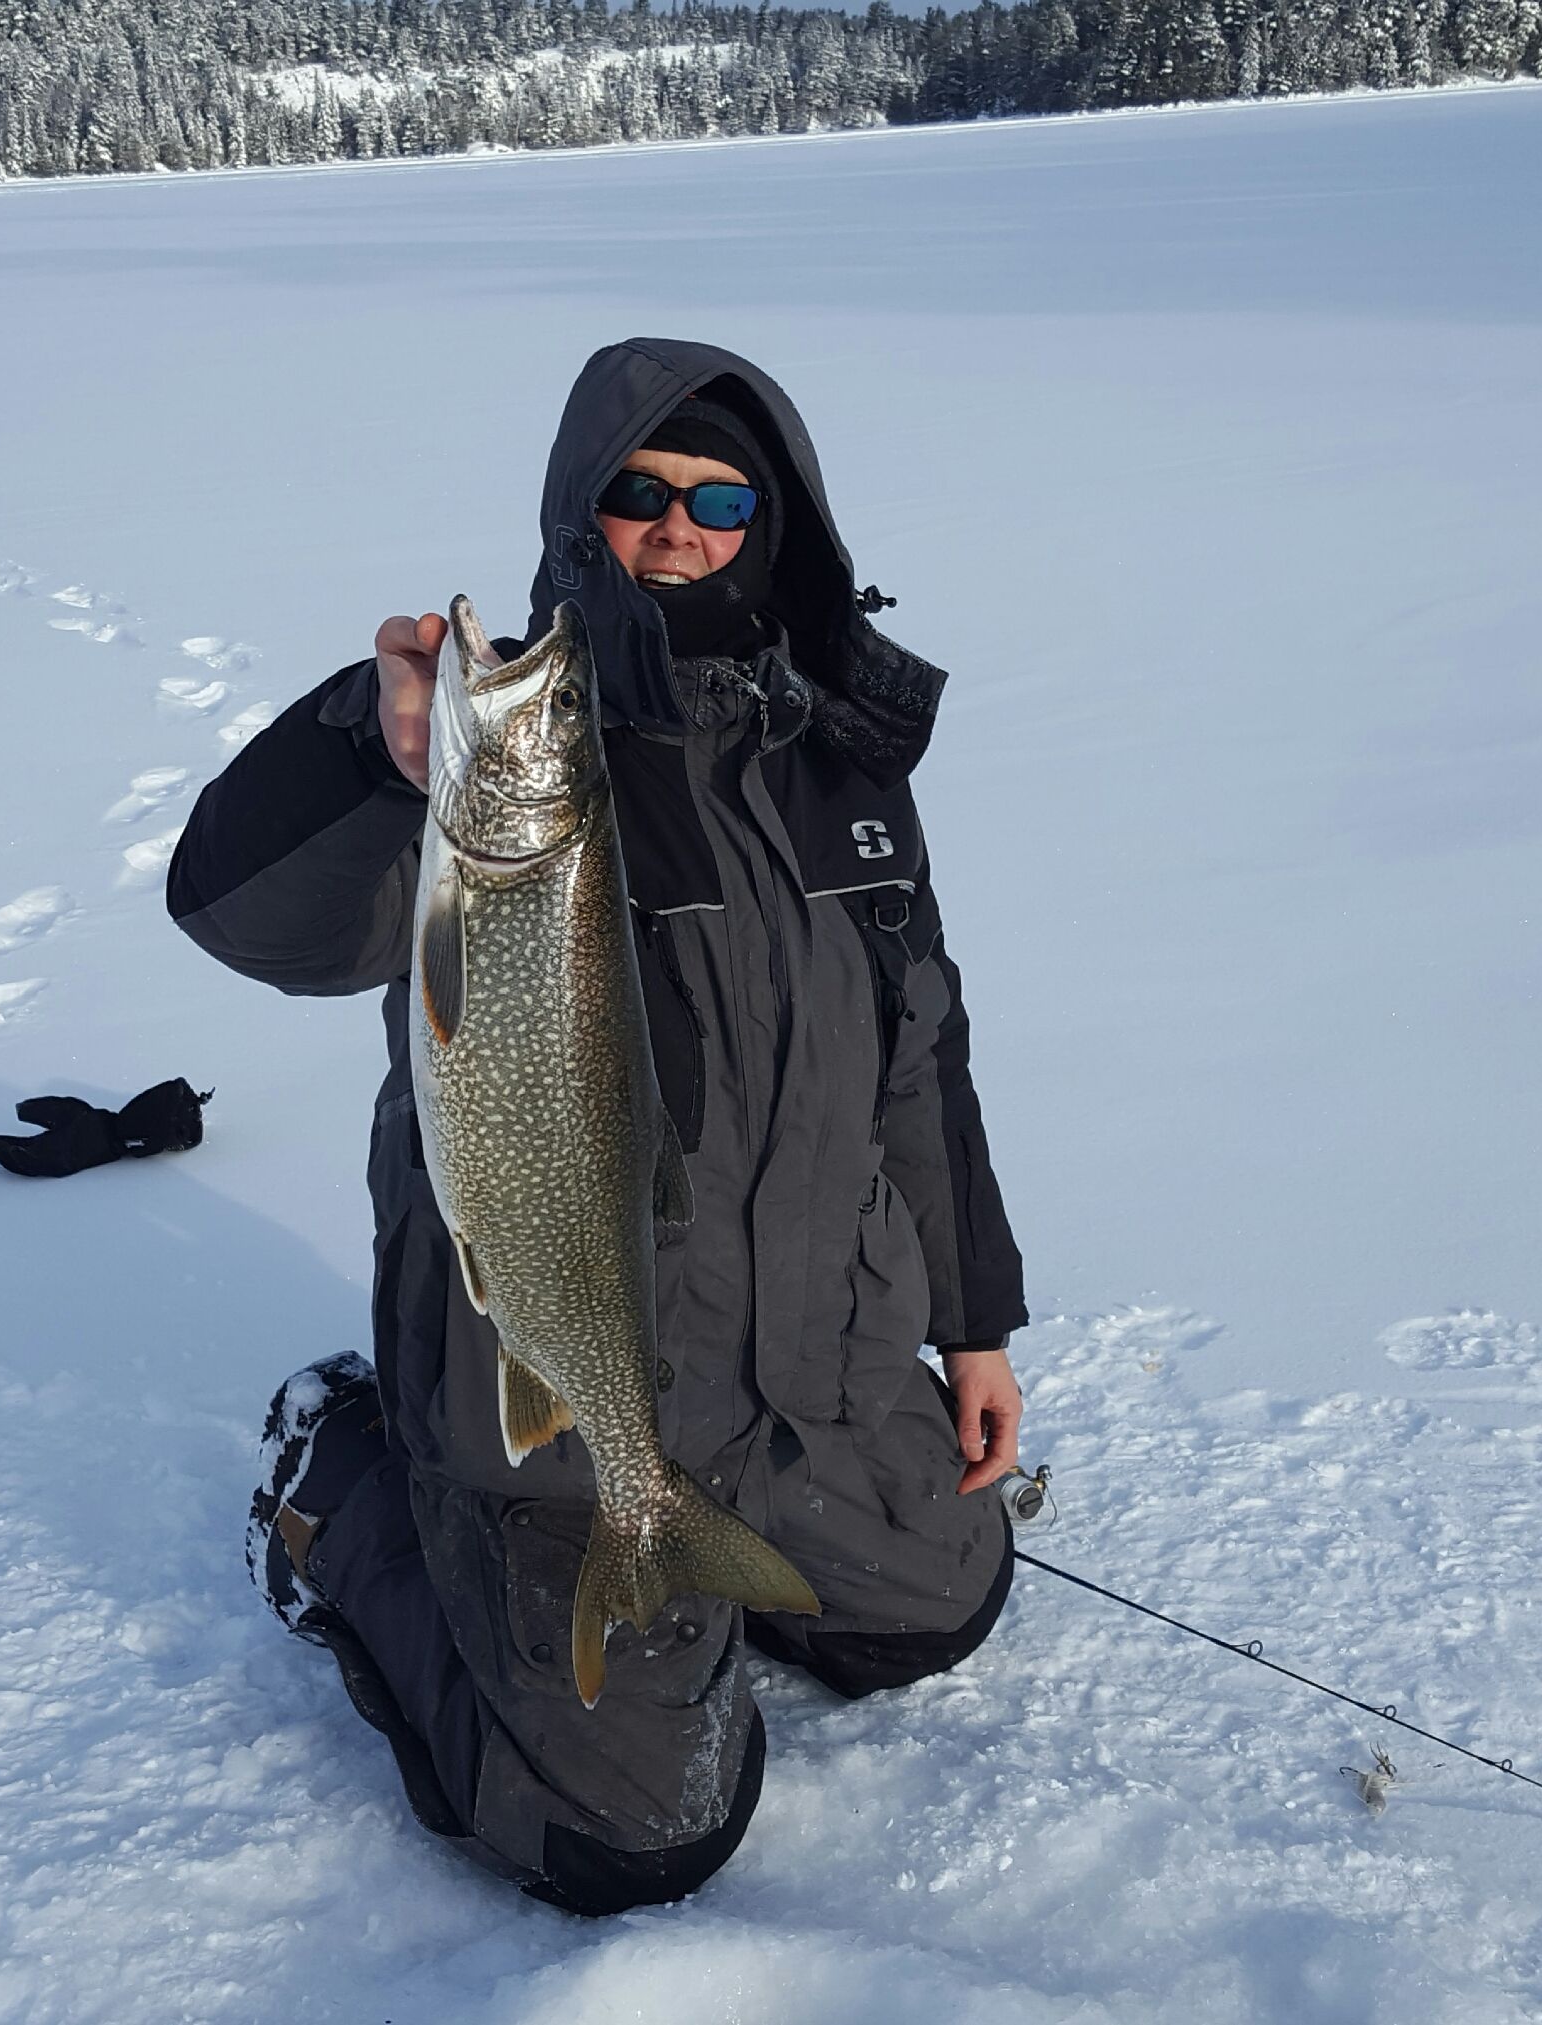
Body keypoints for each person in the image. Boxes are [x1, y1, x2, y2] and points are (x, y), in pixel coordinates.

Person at [167, 338, 1027, 1915]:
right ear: (584, 515)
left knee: (943, 1605)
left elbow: (922, 1056)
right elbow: (243, 916)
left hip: (803, 1382)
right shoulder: (494, 782)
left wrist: (972, 1322)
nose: (681, 525)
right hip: (547, 1403)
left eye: (720, 495)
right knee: (628, 1834)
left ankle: (712, 1532)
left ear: (778, 524)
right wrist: (378, 753)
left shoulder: (839, 757)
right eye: (640, 493)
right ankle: (343, 1488)